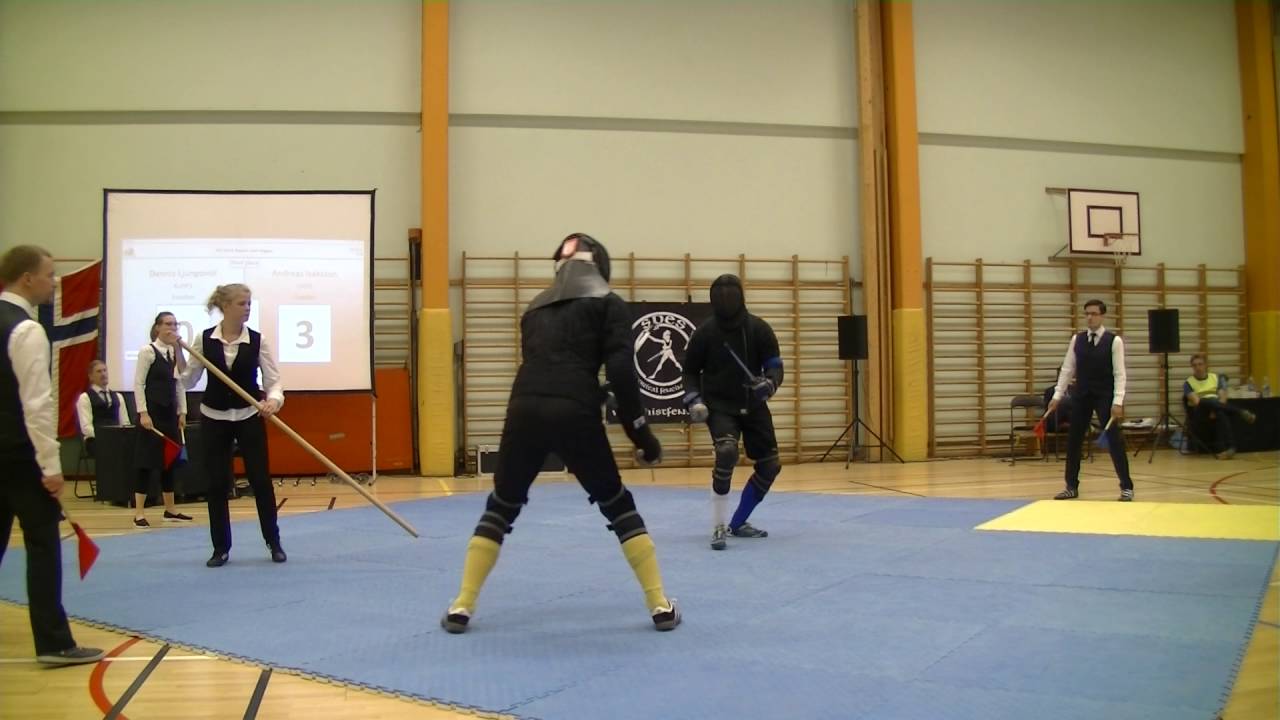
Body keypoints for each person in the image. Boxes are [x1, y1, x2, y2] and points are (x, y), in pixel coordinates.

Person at [441, 233, 679, 633]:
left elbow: (549, 364)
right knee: (617, 503)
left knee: (501, 505)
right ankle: (659, 605)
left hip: (524, 408)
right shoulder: (610, 304)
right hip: (574, 412)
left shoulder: (534, 309)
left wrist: (587, 385)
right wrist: (644, 437)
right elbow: (620, 372)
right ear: (600, 266)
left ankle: (461, 605)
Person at [0, 245, 103, 665]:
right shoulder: (26, 331)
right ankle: (54, 642)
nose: (54, 282)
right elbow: (37, 405)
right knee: (43, 544)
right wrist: (50, 467)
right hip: (20, 458)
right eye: (48, 274)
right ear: (27, 278)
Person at [178, 284, 285, 567]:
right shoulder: (203, 340)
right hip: (214, 418)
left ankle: (273, 542)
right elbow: (187, 380)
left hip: (249, 415)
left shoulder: (258, 340)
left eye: (249, 303)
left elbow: (274, 382)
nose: (247, 308)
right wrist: (178, 354)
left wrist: (273, 401)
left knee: (261, 480)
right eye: (241, 303)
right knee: (215, 484)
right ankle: (220, 548)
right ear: (225, 307)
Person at [681, 274, 784, 550]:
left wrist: (769, 383)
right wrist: (694, 400)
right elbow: (689, 372)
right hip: (719, 406)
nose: (726, 301)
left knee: (770, 466)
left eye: (731, 295)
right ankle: (718, 526)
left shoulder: (760, 329)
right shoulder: (705, 333)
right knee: (726, 453)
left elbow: (775, 366)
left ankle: (737, 522)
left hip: (753, 405)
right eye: (721, 295)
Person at [1047, 299, 1134, 501]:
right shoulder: (1077, 340)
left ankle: (1126, 487)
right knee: (1074, 440)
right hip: (1082, 395)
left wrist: (1118, 401)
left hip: (1105, 396)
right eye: (1087, 313)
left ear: (1102, 315)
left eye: (1094, 313)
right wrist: (1057, 396)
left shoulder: (1114, 341)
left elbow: (1120, 373)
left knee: (1114, 441)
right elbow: (1067, 369)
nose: (1090, 317)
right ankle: (1071, 486)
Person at [131, 312, 192, 527]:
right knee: (146, 464)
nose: (172, 328)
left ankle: (170, 509)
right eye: (168, 324)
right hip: (152, 414)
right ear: (157, 327)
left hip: (170, 414)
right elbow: (139, 384)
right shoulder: (148, 352)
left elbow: (180, 383)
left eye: (175, 324)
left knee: (170, 462)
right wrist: (143, 413)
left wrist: (182, 412)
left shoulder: (175, 354)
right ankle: (139, 512)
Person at [1183, 353, 1256, 459]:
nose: (1198, 367)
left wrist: (1214, 409)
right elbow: (1196, 402)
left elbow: (1222, 398)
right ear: (1192, 367)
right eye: (1194, 365)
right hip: (1200, 414)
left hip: (1216, 408)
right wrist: (1212, 407)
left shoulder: (1215, 378)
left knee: (1220, 411)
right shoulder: (1188, 383)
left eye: (1200, 364)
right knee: (1204, 401)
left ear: (1205, 365)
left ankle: (1231, 448)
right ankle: (1239, 412)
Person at [76, 360, 128, 457]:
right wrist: (105, 437)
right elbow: (86, 427)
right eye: (99, 371)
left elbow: (125, 422)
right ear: (91, 376)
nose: (103, 374)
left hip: (116, 439)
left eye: (105, 370)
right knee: (109, 450)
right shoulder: (85, 398)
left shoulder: (118, 396)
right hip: (95, 440)